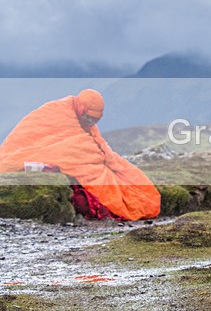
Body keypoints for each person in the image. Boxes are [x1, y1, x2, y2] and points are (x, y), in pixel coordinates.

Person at [0, 89, 161, 220]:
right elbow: (70, 147)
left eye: (95, 120)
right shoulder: (56, 112)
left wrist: (107, 157)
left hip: (58, 153)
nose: (91, 123)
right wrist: (95, 156)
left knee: (124, 174)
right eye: (89, 118)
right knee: (97, 170)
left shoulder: (81, 118)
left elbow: (91, 141)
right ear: (81, 109)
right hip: (23, 153)